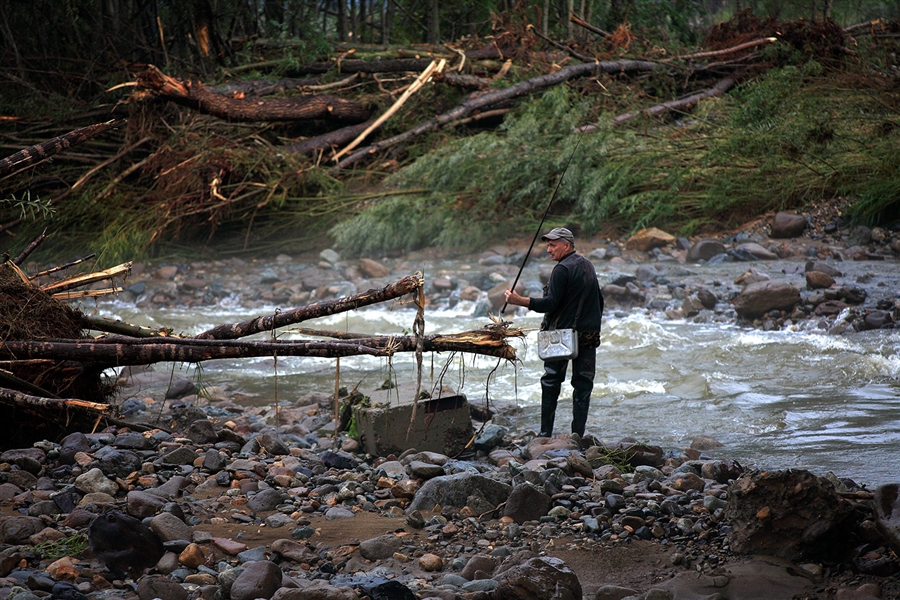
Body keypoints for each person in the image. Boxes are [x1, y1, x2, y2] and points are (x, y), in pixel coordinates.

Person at [504, 227, 604, 438]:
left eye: (553, 245)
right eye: (547, 244)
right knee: (583, 385)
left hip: (562, 335)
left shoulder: (561, 270)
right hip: (588, 335)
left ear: (566, 245)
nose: (548, 249)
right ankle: (577, 434)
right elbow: (599, 301)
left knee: (551, 381)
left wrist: (519, 301)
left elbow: (549, 304)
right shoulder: (588, 265)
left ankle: (544, 433)